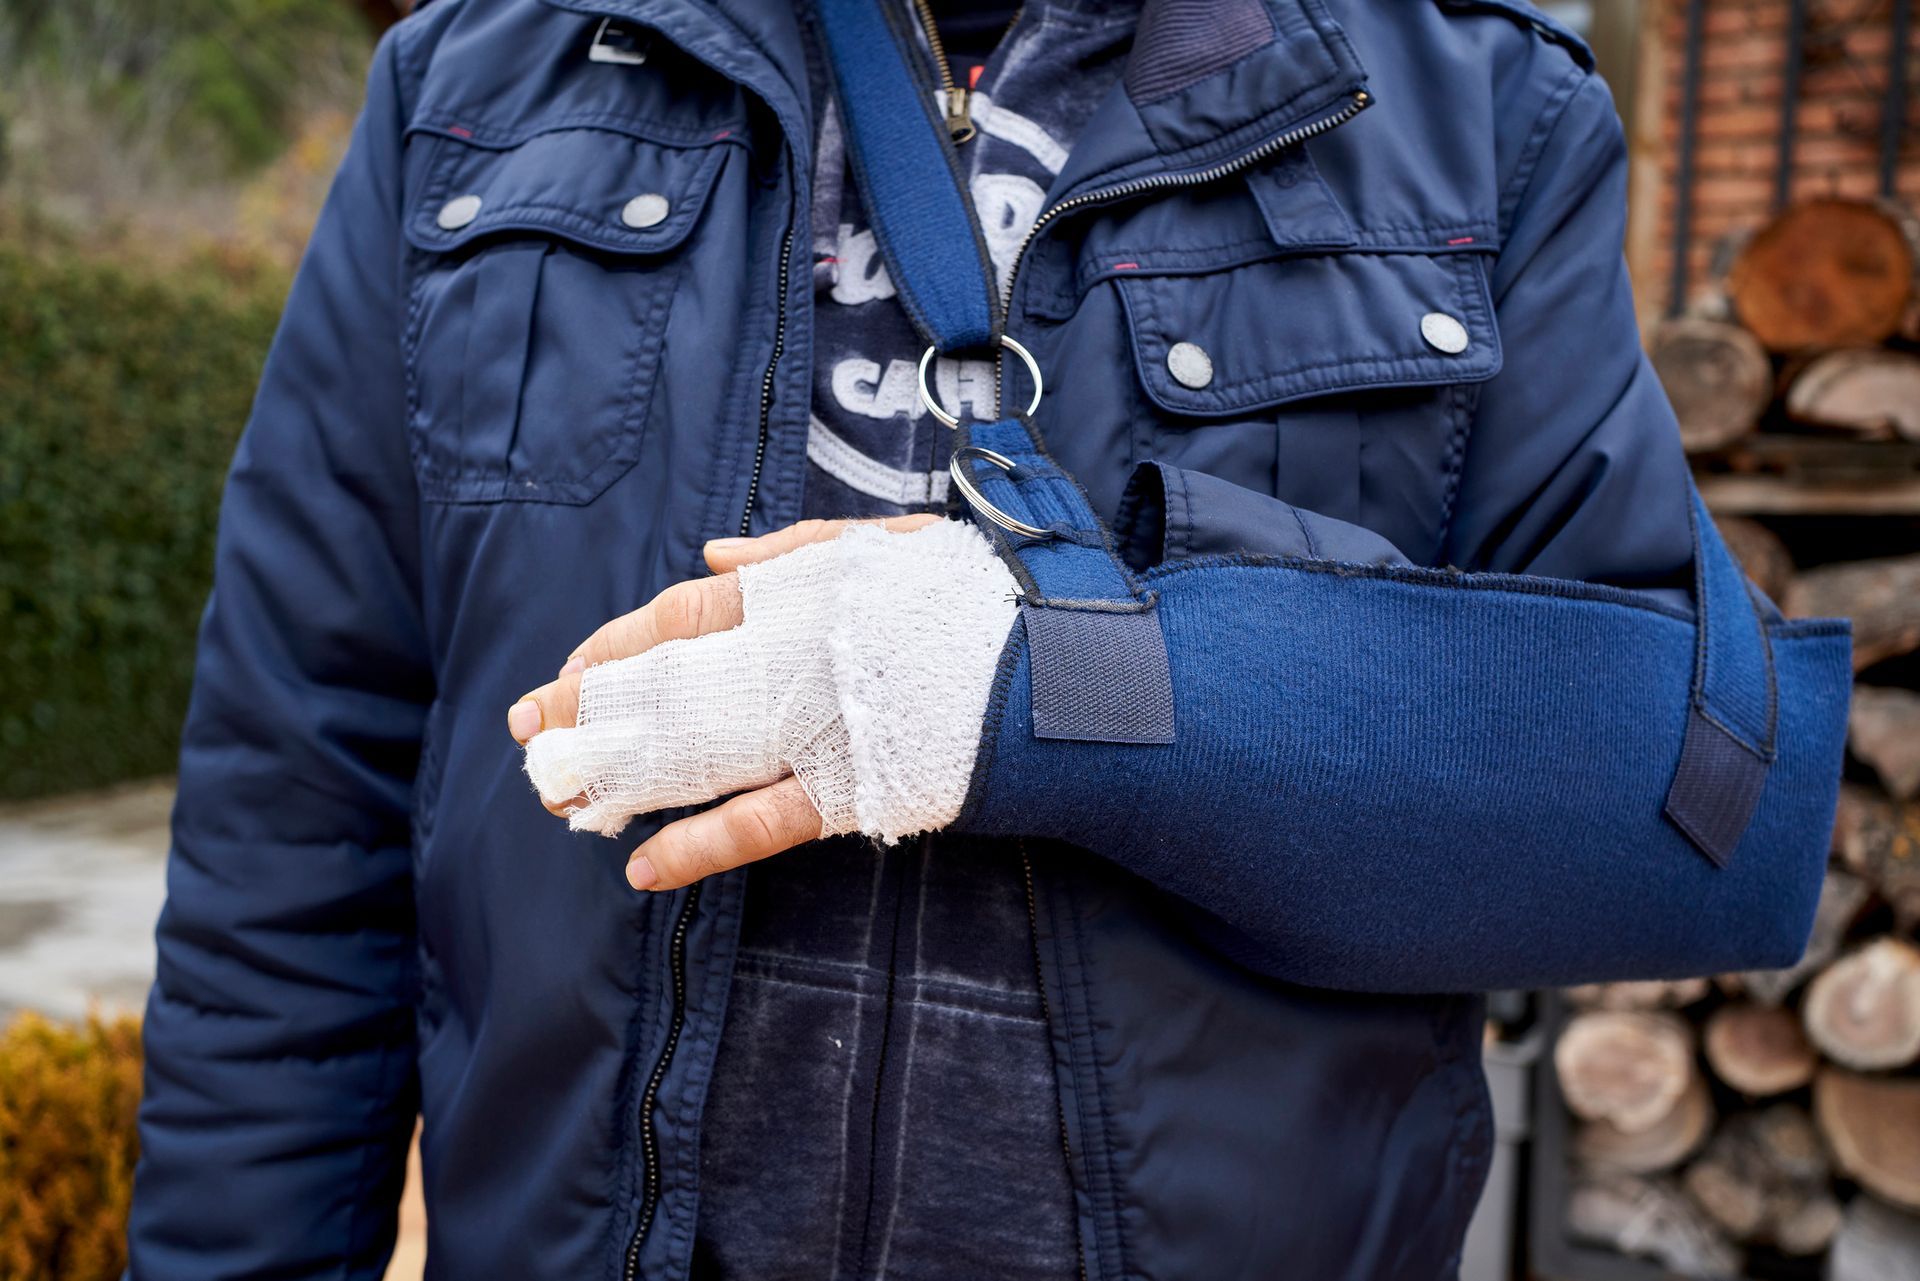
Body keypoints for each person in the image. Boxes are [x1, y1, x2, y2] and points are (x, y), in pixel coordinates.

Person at [125, 0, 1849, 1276]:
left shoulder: (1471, 109)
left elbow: (1705, 811)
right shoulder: (479, 87)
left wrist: (1041, 687)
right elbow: (297, 824)